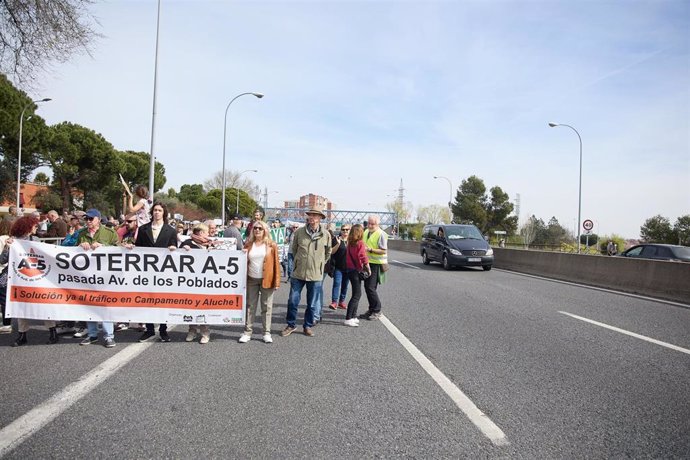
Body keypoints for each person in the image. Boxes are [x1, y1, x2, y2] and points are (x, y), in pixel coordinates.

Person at [1, 215, 61, 346]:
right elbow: (2, 260)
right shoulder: (13, 241)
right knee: (20, 305)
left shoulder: (36, 240)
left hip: (36, 278)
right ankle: (22, 335)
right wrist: (7, 247)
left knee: (43, 303)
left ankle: (52, 331)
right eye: (34, 225)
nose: (36, 227)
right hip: (19, 278)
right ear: (27, 227)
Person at [280, 207, 331, 338]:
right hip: (299, 273)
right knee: (292, 300)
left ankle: (307, 325)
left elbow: (328, 253)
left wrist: (319, 264)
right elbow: (294, 250)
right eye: (311, 215)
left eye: (315, 216)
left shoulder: (326, 235)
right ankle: (291, 324)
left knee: (312, 303)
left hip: (315, 275)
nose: (312, 218)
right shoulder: (299, 232)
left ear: (320, 218)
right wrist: (299, 263)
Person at [134, 201, 178, 342]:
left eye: (159, 210)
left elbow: (175, 248)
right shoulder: (143, 229)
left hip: (163, 273)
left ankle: (163, 330)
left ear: (164, 213)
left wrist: (172, 248)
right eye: (155, 210)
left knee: (162, 301)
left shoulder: (170, 231)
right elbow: (138, 249)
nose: (157, 212)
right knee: (147, 301)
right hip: (146, 272)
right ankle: (149, 329)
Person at [76, 209, 120, 347]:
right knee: (89, 304)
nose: (88, 221)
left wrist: (103, 247)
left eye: (90, 219)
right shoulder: (82, 234)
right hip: (88, 276)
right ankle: (92, 334)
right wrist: (79, 246)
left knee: (105, 304)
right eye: (86, 219)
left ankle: (109, 335)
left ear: (98, 219)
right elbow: (69, 250)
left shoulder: (109, 232)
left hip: (105, 275)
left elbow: (119, 250)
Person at [239, 220, 280, 344]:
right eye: (255, 228)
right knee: (250, 306)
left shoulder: (271, 245)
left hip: (267, 278)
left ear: (265, 231)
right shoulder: (248, 244)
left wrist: (277, 282)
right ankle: (247, 332)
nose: (257, 230)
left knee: (266, 307)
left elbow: (276, 265)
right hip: (251, 279)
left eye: (260, 228)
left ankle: (266, 332)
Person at [180, 222, 213, 344]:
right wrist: (183, 250)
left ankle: (205, 332)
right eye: (206, 232)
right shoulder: (187, 243)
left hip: (205, 281)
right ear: (200, 233)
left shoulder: (210, 244)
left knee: (204, 306)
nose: (208, 234)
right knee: (191, 306)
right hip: (191, 281)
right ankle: (192, 330)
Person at [359, 214, 388, 321]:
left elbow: (383, 250)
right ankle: (371, 309)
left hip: (376, 264)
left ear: (378, 224)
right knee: (368, 287)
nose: (370, 226)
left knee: (371, 288)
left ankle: (377, 310)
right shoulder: (366, 232)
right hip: (367, 263)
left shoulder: (381, 234)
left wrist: (370, 250)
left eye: (373, 224)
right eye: (369, 223)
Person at [344, 224, 370, 326]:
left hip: (350, 270)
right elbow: (363, 256)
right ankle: (348, 318)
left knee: (356, 293)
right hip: (356, 270)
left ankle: (354, 316)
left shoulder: (350, 243)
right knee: (356, 295)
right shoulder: (360, 243)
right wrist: (368, 268)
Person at [328, 224, 350, 310]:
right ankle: (334, 302)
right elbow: (331, 252)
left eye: (347, 230)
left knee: (345, 285)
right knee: (337, 283)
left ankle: (341, 302)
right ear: (341, 230)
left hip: (348, 267)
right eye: (343, 229)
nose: (345, 231)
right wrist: (338, 244)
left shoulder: (351, 241)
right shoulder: (336, 239)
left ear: (349, 231)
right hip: (338, 267)